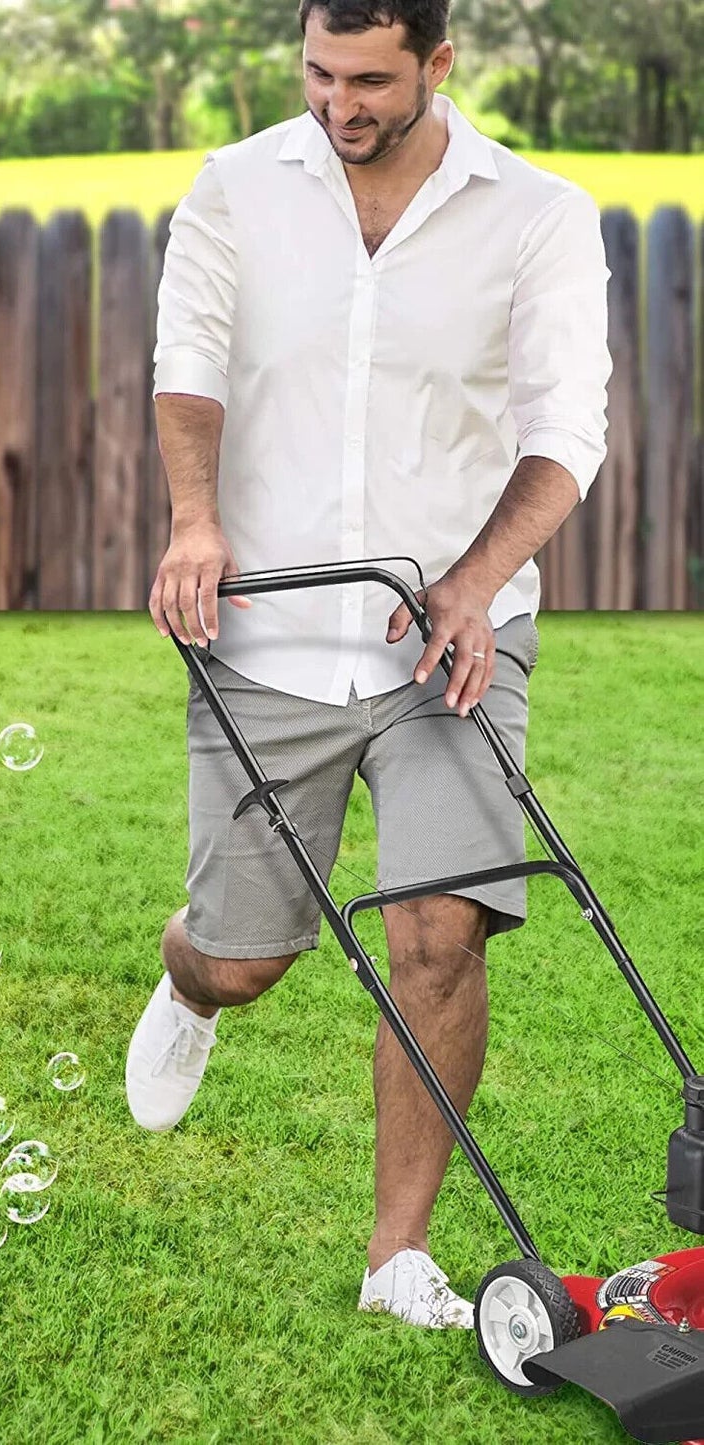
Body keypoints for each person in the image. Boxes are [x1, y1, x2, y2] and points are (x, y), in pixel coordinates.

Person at [126, 0, 610, 1329]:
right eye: (320, 74)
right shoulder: (234, 189)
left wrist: (470, 576)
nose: (340, 104)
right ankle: (188, 980)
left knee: (439, 934)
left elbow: (568, 423)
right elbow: (189, 367)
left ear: (439, 65)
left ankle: (399, 1252)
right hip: (268, 633)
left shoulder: (539, 214)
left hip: (448, 637)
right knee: (245, 954)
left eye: (372, 81)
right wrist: (193, 519)